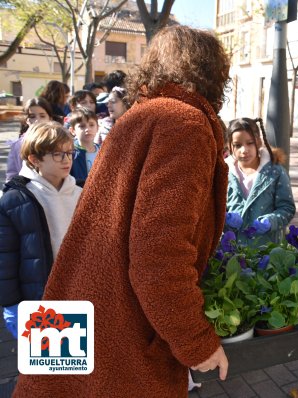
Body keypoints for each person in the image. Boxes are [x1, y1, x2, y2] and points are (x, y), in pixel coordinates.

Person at [13, 25, 231, 397]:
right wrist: (198, 342)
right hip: (122, 331)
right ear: (212, 74)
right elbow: (157, 256)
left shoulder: (139, 116)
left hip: (86, 307)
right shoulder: (185, 123)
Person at [1, 121, 82, 338]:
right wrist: (11, 303)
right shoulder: (16, 199)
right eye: (58, 154)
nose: (67, 160)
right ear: (34, 159)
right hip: (38, 299)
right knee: (46, 366)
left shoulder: (82, 193)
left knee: (76, 366)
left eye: (69, 153)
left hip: (79, 294)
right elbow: (5, 257)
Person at [225, 117, 296, 243]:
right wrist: (224, 218)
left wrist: (271, 221)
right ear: (229, 146)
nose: (244, 150)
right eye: (237, 145)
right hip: (231, 250)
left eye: (249, 143)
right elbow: (212, 209)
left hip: (265, 250)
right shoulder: (224, 173)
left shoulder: (275, 172)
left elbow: (287, 208)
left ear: (258, 142)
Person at [5, 97, 55, 181]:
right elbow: (11, 175)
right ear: (26, 120)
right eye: (32, 116)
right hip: (26, 191)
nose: (37, 120)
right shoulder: (18, 145)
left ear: (50, 118)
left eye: (42, 116)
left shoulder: (59, 142)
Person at [69, 107, 100, 181]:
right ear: (73, 130)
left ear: (97, 128)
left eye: (91, 125)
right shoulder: (70, 153)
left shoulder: (103, 150)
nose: (87, 129)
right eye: (82, 126)